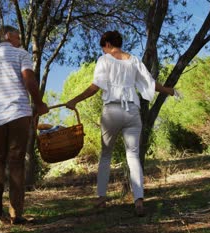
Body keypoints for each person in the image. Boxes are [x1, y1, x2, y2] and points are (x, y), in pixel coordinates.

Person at [65, 30, 177, 216]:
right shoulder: (133, 60)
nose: (103, 51)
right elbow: (149, 82)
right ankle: (139, 200)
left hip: (112, 110)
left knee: (106, 155)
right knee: (133, 155)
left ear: (107, 44)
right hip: (132, 110)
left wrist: (74, 100)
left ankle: (101, 199)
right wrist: (168, 90)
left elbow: (95, 86)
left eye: (103, 47)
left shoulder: (105, 60)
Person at [0, 25, 49, 225]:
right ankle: (16, 214)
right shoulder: (21, 54)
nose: (20, 38)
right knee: (16, 162)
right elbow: (29, 81)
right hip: (18, 114)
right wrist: (39, 104)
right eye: (17, 35)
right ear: (7, 36)